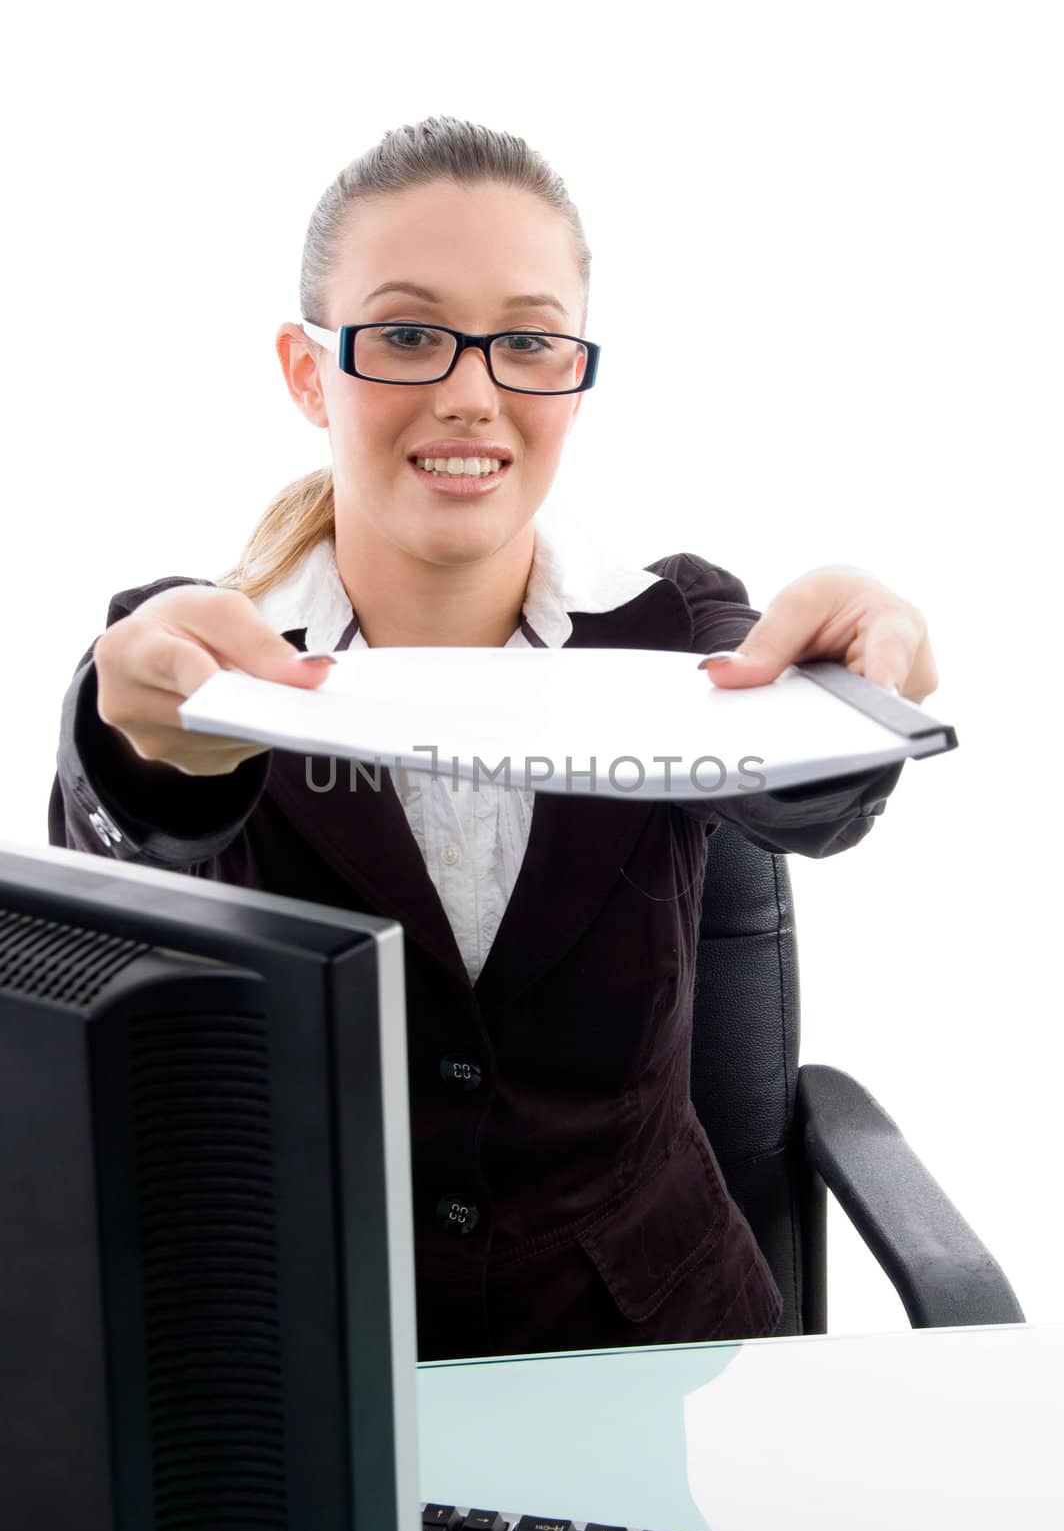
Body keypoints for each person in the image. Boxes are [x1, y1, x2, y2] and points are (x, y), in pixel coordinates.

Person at [48, 116, 938, 1361]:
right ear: (310, 374)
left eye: (526, 340)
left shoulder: (671, 623)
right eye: (407, 334)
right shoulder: (204, 647)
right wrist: (129, 733)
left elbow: (809, 796)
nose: (472, 392)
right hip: (295, 1352)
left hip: (641, 1346)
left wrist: (858, 684)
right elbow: (117, 841)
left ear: (572, 371)